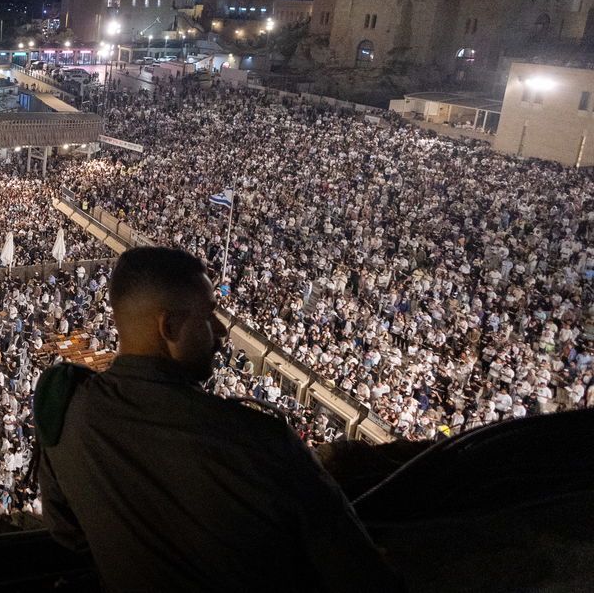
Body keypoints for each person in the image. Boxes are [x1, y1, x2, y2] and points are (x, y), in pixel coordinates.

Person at [35, 247, 404, 592]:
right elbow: (362, 574)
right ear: (170, 327)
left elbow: (69, 535)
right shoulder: (259, 440)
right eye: (209, 314)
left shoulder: (68, 410)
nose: (223, 331)